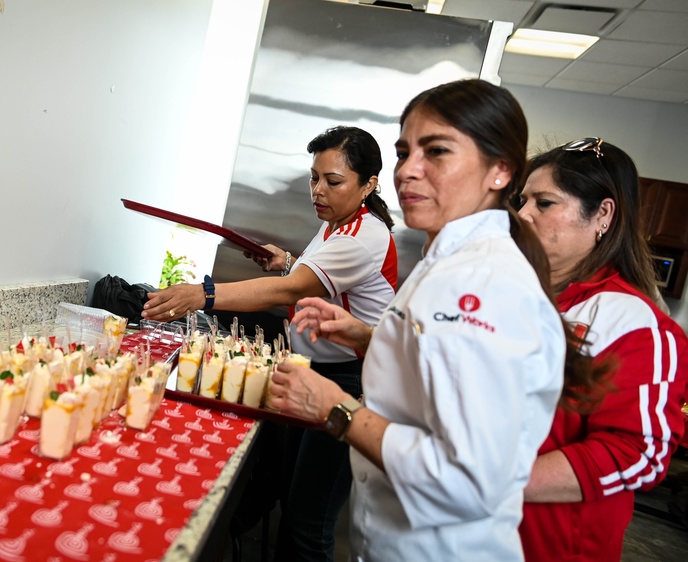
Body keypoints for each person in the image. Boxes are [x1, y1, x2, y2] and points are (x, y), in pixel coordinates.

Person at [268, 79, 609, 561]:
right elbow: (438, 373)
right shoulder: (447, 259)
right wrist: (368, 336)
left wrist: (337, 409)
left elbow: (464, 478)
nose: (409, 170)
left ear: (500, 170)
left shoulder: (482, 284)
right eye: (405, 152)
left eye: (437, 152)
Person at [143, 125, 398, 560]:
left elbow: (291, 291)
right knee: (290, 501)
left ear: (369, 184)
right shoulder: (339, 224)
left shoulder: (362, 236)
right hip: (316, 371)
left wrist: (202, 294)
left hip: (351, 381)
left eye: (333, 181)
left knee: (307, 525)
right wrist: (286, 262)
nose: (318, 190)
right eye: (313, 178)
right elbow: (310, 277)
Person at [515, 138, 688, 561]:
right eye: (522, 200)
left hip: (550, 546)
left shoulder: (630, 320)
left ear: (603, 215)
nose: (521, 214)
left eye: (544, 202)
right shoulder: (515, 296)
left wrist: (494, 483)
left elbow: (639, 452)